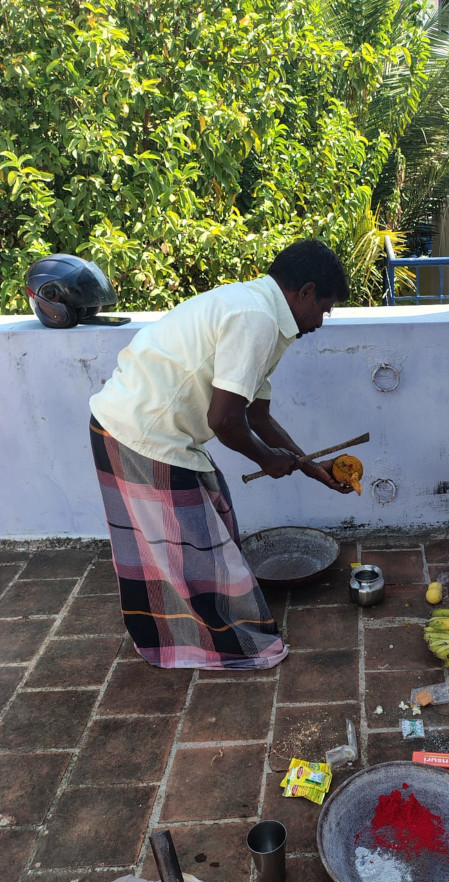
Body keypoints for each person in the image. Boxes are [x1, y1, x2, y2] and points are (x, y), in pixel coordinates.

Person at [89, 239, 352, 670]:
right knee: (196, 546)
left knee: (213, 520)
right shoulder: (256, 318)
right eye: (324, 308)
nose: (321, 321)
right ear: (305, 292)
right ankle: (216, 642)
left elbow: (258, 417)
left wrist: (310, 468)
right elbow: (225, 421)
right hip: (139, 432)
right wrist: (268, 460)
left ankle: (200, 626)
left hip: (149, 430)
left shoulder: (262, 312)